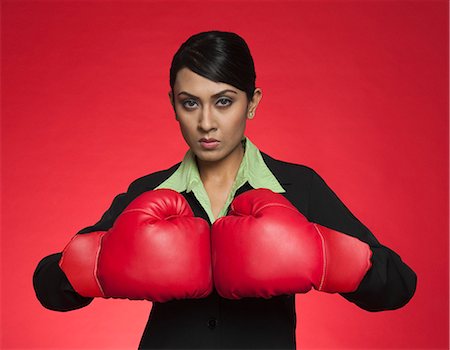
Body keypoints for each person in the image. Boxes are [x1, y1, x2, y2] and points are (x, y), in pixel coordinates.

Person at [33, 30, 417, 349]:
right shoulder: (150, 193)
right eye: (190, 103)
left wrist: (327, 258)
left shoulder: (297, 188)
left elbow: (399, 285)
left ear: (252, 104)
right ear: (173, 105)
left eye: (223, 102)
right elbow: (50, 287)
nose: (206, 122)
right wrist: (98, 265)